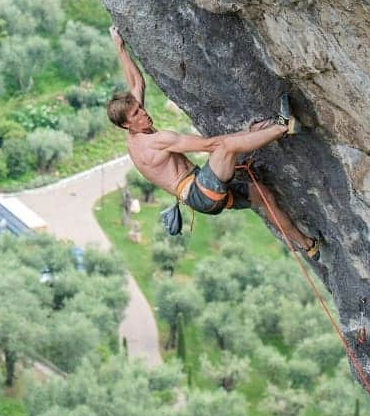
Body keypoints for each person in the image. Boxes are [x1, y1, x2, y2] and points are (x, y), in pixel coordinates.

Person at [106, 26, 319, 259]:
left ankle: (308, 246)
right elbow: (211, 145)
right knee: (225, 148)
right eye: (136, 114)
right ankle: (283, 126)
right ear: (126, 125)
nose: (143, 113)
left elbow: (137, 84)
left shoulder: (136, 128)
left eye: (140, 108)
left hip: (203, 191)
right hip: (200, 192)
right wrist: (243, 135)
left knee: (264, 198)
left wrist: (120, 47)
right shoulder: (155, 142)